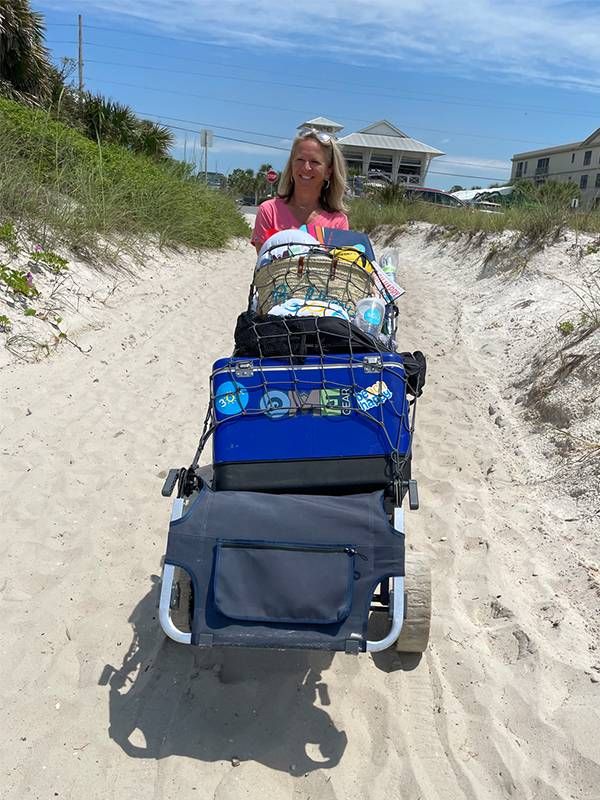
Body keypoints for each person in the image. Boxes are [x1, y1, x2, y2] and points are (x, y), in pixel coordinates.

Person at [251, 130, 349, 253]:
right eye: (300, 160)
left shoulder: (338, 222)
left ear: (328, 171)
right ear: (291, 164)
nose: (306, 167)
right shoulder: (269, 211)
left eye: (314, 162)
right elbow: (264, 265)